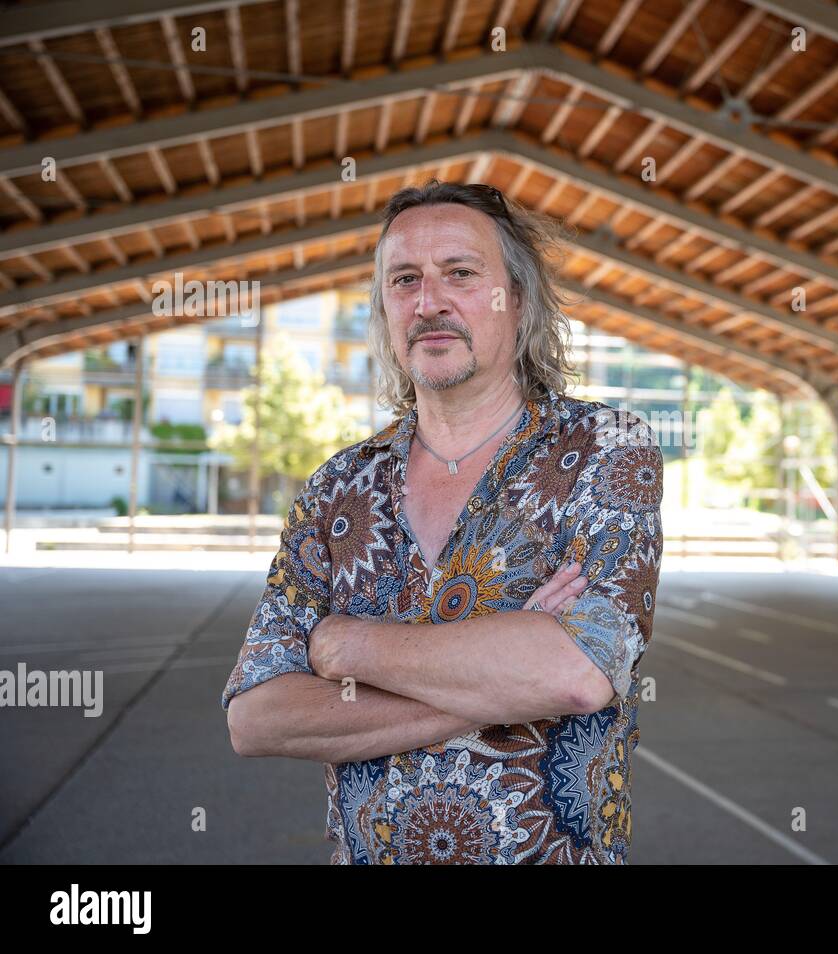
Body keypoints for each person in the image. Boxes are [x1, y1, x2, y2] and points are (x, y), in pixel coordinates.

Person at [222, 180, 663, 864]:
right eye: (405, 280)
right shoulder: (338, 489)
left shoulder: (604, 450)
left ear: (516, 299)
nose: (429, 302)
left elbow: (578, 675)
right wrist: (502, 683)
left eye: (460, 273)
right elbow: (256, 716)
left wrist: (344, 648)